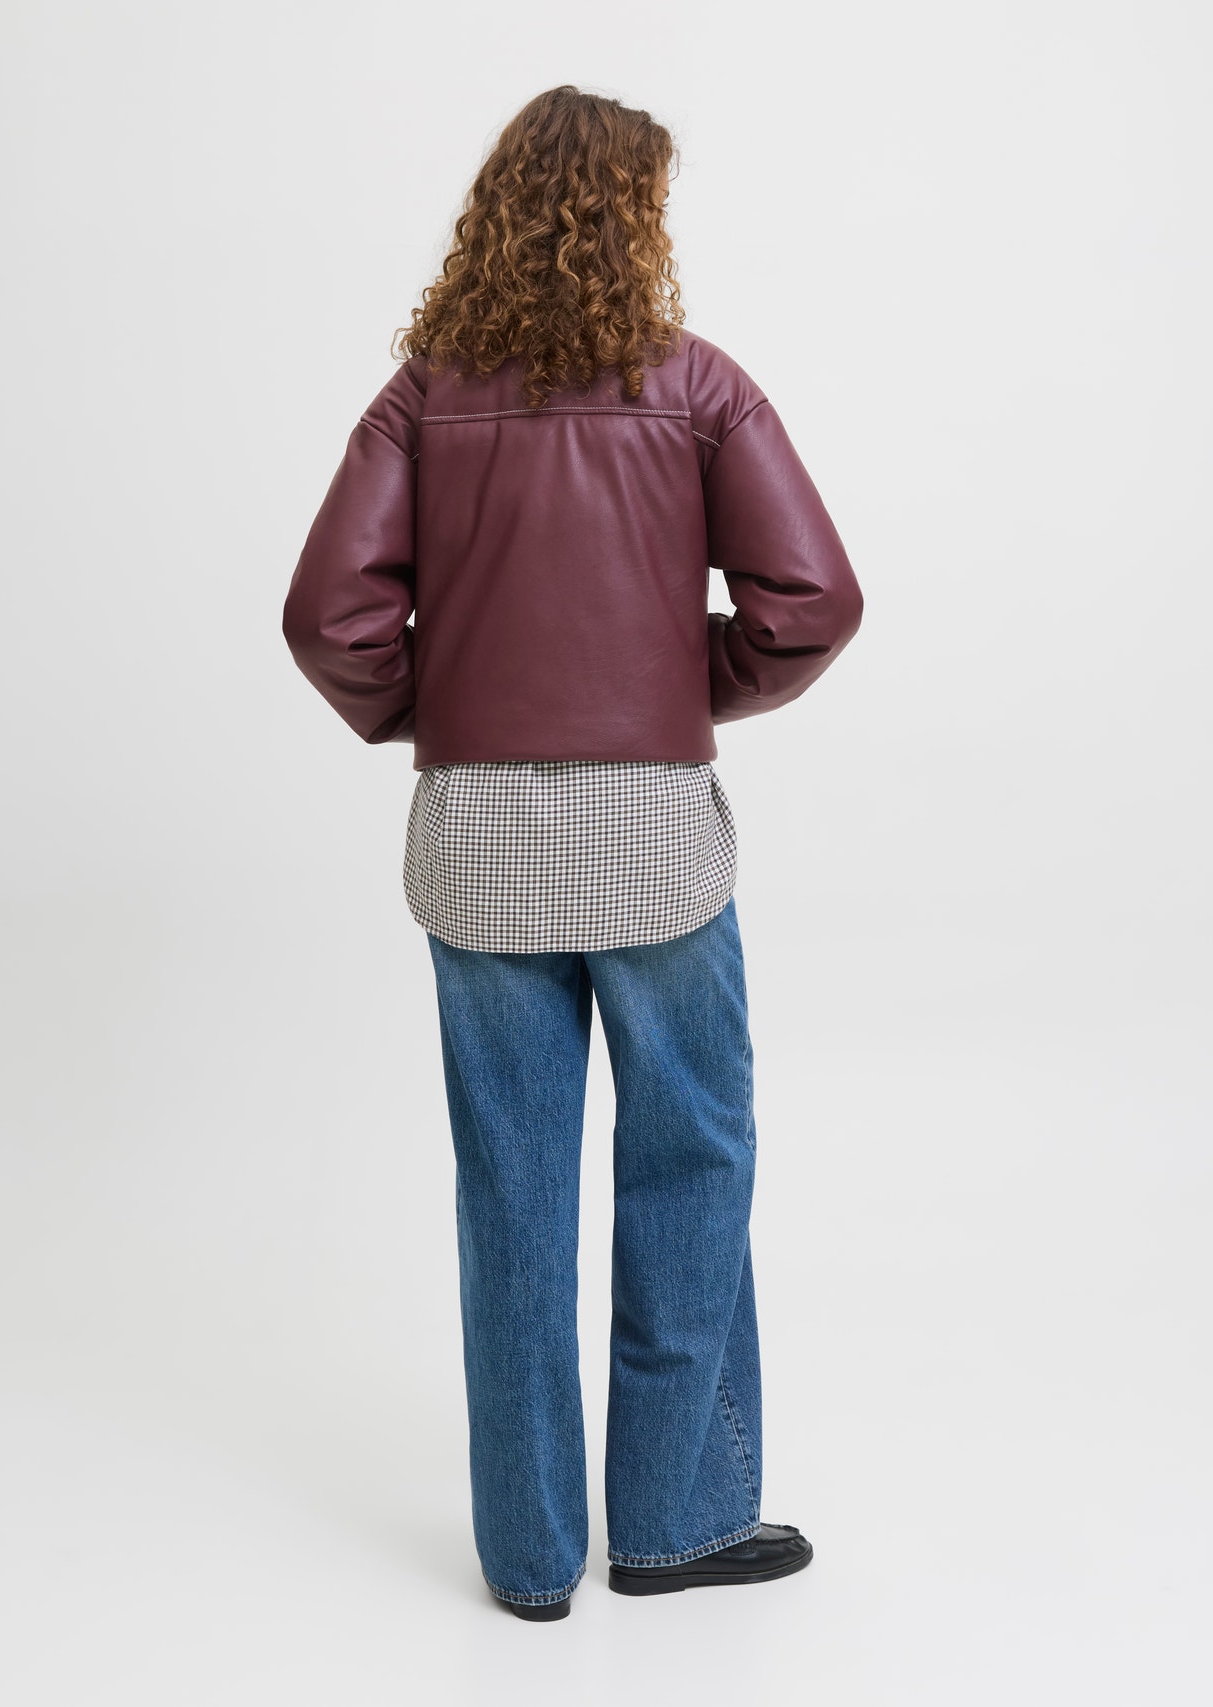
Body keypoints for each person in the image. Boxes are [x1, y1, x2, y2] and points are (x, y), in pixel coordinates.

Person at [282, 84, 864, 1622]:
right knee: (691, 1163)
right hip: (654, 841)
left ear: (496, 216)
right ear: (639, 219)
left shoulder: (420, 398)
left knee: (512, 1190)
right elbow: (813, 601)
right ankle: (674, 1525)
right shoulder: (699, 384)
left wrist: (444, 707)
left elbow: (328, 618)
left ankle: (532, 1563)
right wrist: (678, 690)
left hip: (476, 844)